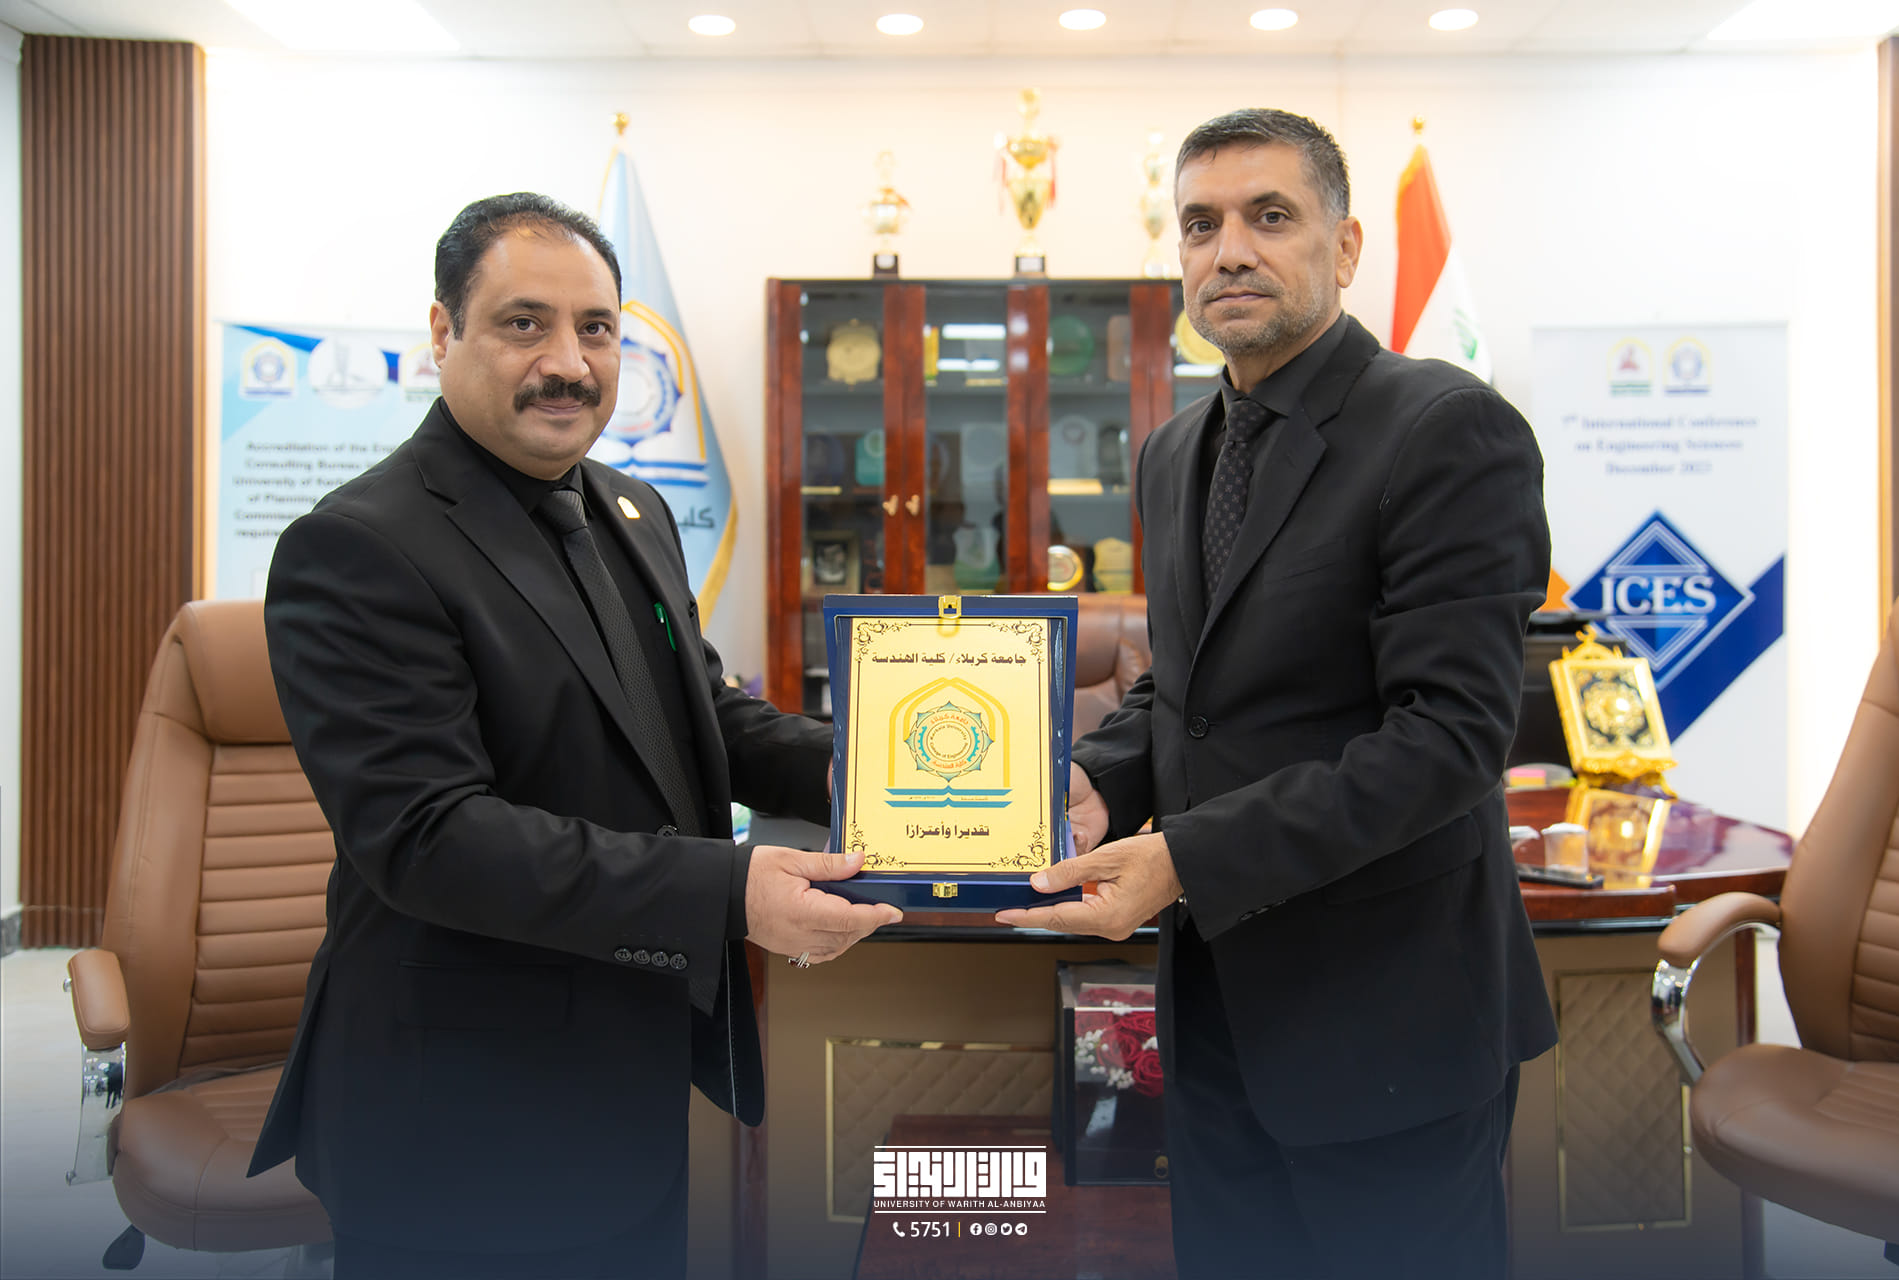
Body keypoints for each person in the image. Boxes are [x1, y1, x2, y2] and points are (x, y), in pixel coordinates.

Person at [249, 192, 901, 1279]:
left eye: (596, 328)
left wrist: (863, 768)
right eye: (524, 324)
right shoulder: (360, 546)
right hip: (457, 1123)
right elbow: (429, 836)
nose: (569, 362)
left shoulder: (629, 509)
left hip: (625, 1081)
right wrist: (727, 891)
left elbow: (699, 714)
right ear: (444, 332)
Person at [997, 109, 1557, 1277]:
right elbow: (1186, 688)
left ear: (1345, 247)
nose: (1229, 251)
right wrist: (1098, 779)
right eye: (1200, 225)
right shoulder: (1172, 450)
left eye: (1269, 216)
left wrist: (1186, 856)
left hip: (1391, 1026)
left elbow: (1450, 738)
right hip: (1216, 1018)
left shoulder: (1446, 428)